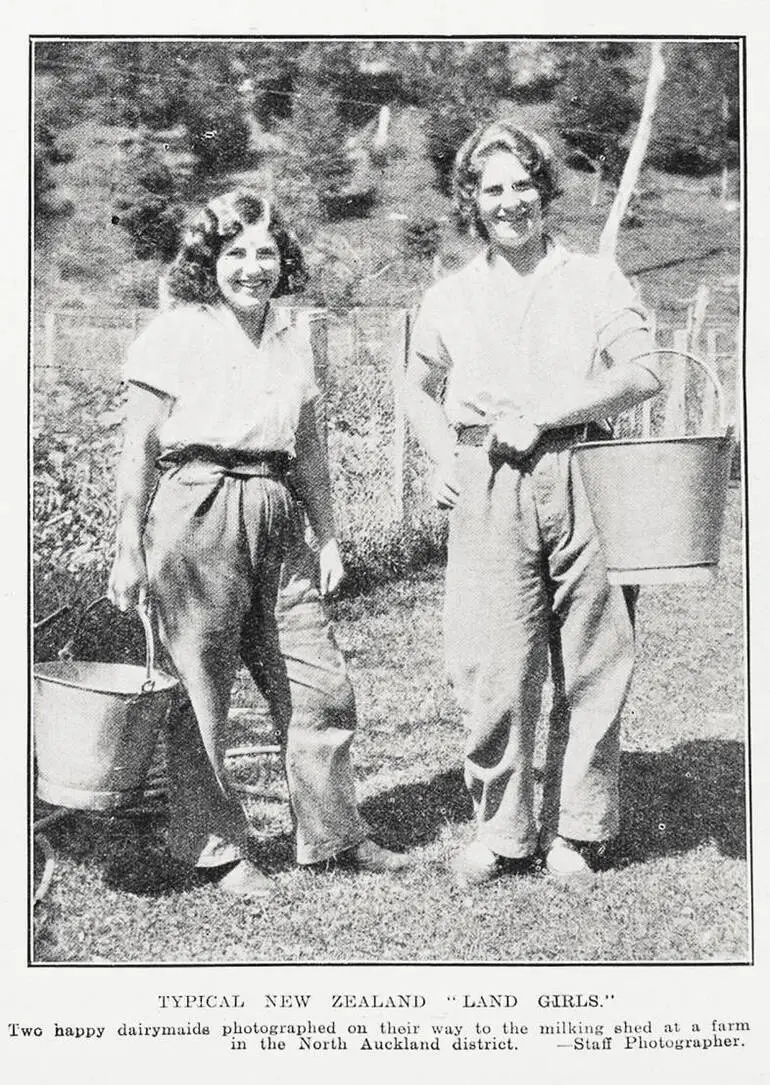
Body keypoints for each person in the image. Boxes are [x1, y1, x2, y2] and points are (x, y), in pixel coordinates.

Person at [109, 188, 407, 899]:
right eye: (235, 252)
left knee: (320, 681)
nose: (252, 267)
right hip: (197, 504)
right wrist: (127, 543)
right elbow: (138, 447)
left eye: (266, 251)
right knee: (202, 689)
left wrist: (328, 533)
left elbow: (308, 449)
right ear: (208, 259)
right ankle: (217, 848)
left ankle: (334, 833)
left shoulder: (293, 334)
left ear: (284, 258)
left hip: (276, 511)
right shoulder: (175, 333)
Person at [404, 121, 661, 888]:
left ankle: (578, 833)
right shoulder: (451, 295)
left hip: (585, 466)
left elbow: (643, 371)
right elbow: (416, 389)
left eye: (523, 184)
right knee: (491, 661)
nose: (510, 201)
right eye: (493, 189)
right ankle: (503, 830)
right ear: (472, 203)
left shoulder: (593, 278)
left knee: (593, 655)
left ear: (544, 190)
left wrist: (547, 411)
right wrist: (439, 455)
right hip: (488, 477)